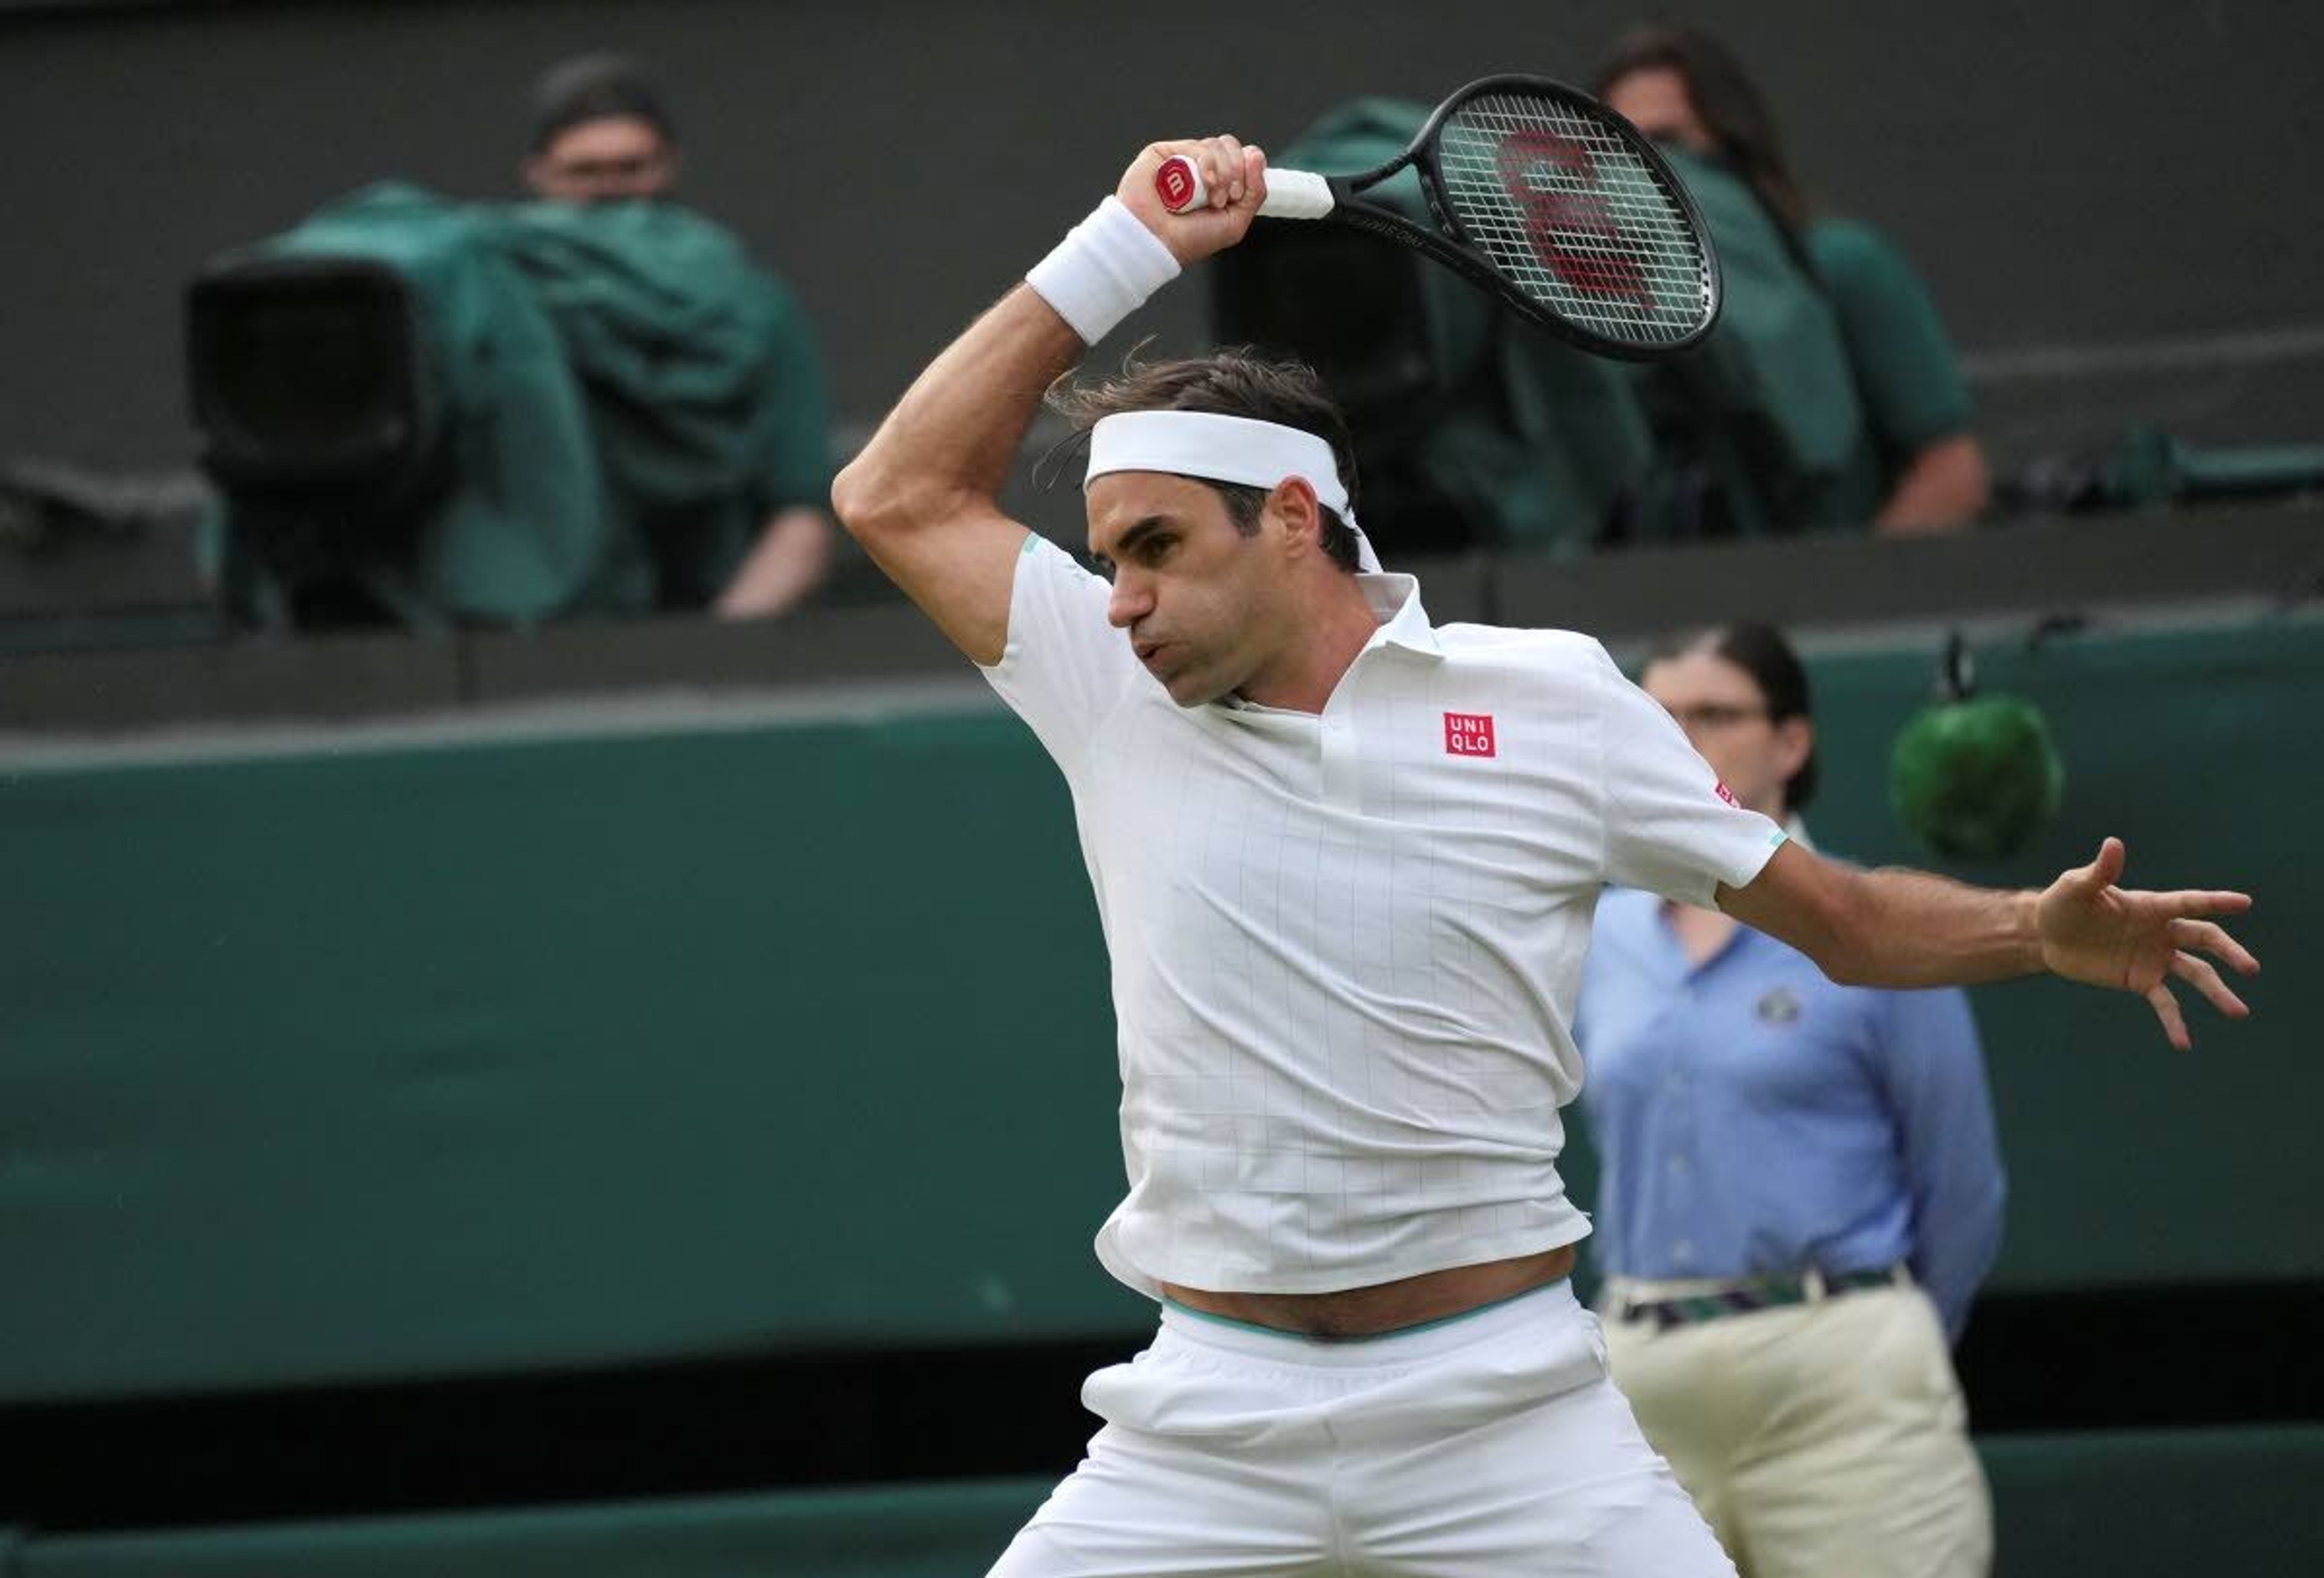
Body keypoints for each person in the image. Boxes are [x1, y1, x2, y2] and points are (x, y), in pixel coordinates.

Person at [829, 134, 2256, 1577]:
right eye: (1105, 559)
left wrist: (2032, 928)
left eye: (1152, 546)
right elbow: (894, 494)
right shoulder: (1104, 680)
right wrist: (1125, 244)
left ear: (1289, 518)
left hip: (1503, 1416)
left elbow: (1836, 918)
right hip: (1205, 1417)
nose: (1118, 598)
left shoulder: (1555, 699)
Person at [1575, 623, 2005, 1577]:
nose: (1679, 740)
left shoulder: (1879, 922)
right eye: (1657, 717)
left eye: (1714, 715)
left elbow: (1959, 1179)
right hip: (1642, 1372)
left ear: (1793, 743)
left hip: (1842, 1367)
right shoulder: (1594, 936)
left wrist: (1876, 1349)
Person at [1595, 26, 1992, 537]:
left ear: (1734, 143)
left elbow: (1952, 476)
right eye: (1622, 146)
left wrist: (1841, 594)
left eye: (1670, 141)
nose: (1648, 167)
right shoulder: (1588, 312)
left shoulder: (1844, 264)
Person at [518, 53, 834, 619]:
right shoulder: (499, 309)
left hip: (705, 630)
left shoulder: (755, 306)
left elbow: (801, 518)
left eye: (632, 168)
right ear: (538, 176)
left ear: (669, 167)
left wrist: (713, 647)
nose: (611, 192)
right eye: (585, 173)